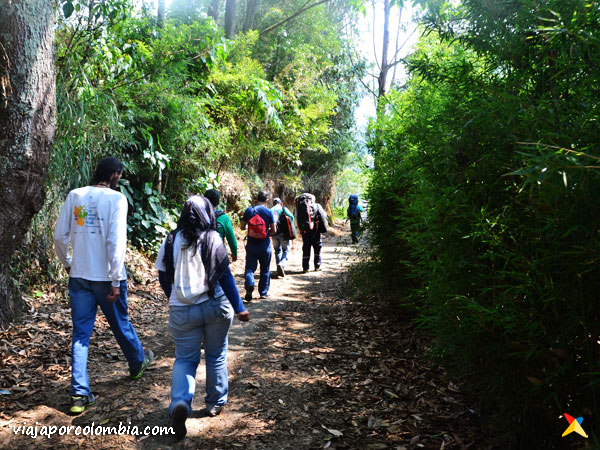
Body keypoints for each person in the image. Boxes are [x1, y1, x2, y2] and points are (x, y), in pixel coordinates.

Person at [53, 157, 153, 415]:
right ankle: (137, 362)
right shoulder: (117, 199)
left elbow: (59, 236)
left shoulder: (75, 195)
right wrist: (116, 278)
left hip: (79, 277)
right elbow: (115, 242)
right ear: (115, 175)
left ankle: (78, 394)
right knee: (120, 322)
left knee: (81, 334)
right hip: (106, 278)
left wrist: (68, 263)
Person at [155, 195, 250, 440]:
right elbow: (225, 275)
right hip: (215, 306)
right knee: (216, 354)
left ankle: (180, 403)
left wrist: (173, 297)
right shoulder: (213, 238)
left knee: (185, 359)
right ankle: (214, 402)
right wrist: (239, 307)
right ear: (207, 213)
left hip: (182, 309)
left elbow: (163, 276)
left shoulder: (170, 240)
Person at [240, 191, 276, 301]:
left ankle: (250, 285)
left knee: (250, 268)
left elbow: (242, 227)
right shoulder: (268, 212)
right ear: (267, 200)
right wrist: (264, 232)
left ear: (256, 199)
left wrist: (251, 230)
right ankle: (263, 293)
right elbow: (274, 230)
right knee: (265, 269)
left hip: (251, 245)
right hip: (265, 246)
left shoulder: (249, 210)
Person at [295, 193, 328, 273]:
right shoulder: (317, 206)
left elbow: (295, 217)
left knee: (306, 248)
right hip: (315, 231)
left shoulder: (299, 207)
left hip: (305, 231)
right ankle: (317, 266)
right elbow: (324, 215)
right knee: (317, 247)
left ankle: (305, 268)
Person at [204, 189, 238, 262]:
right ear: (218, 202)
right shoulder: (223, 218)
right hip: (218, 255)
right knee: (226, 273)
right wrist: (234, 253)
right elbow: (231, 239)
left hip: (201, 254)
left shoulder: (198, 215)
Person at [270, 198, 294, 277]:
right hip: (283, 234)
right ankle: (282, 264)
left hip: (274, 233)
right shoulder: (283, 209)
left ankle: (278, 269)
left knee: (277, 251)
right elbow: (291, 217)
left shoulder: (270, 210)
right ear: (280, 203)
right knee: (286, 250)